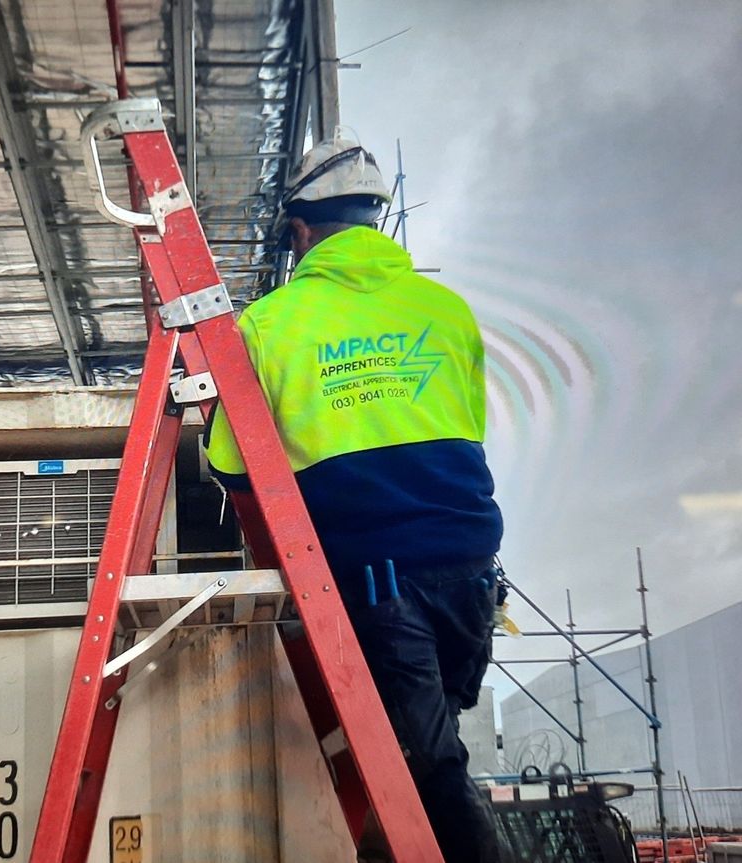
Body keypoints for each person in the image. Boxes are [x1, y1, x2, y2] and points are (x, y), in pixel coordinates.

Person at [204, 130, 505, 863]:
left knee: (429, 774)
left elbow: (229, 464)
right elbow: (468, 428)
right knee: (430, 747)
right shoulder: (446, 308)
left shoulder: (269, 323)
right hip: (473, 572)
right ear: (375, 217)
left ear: (301, 231)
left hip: (378, 580)